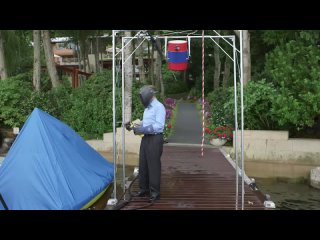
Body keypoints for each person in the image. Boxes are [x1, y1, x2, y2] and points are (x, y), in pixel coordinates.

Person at [126, 85, 165, 202]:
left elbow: (159, 126)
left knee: (153, 166)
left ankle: (155, 193)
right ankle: (144, 190)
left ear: (149, 95)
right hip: (146, 139)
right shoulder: (147, 108)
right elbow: (145, 122)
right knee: (143, 164)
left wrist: (142, 130)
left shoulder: (159, 107)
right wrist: (133, 126)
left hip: (155, 139)